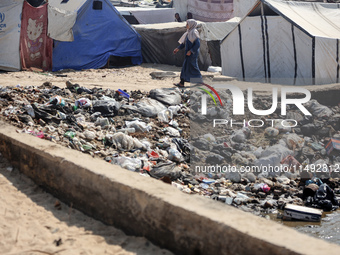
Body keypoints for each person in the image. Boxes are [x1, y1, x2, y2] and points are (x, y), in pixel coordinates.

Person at [173, 19, 202, 88]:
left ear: (191, 25)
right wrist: (178, 48)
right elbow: (184, 43)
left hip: (192, 54)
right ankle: (181, 83)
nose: (186, 25)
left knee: (193, 67)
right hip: (188, 54)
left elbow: (197, 44)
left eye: (187, 24)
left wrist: (191, 51)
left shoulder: (194, 32)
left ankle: (199, 82)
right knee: (185, 67)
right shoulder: (188, 33)